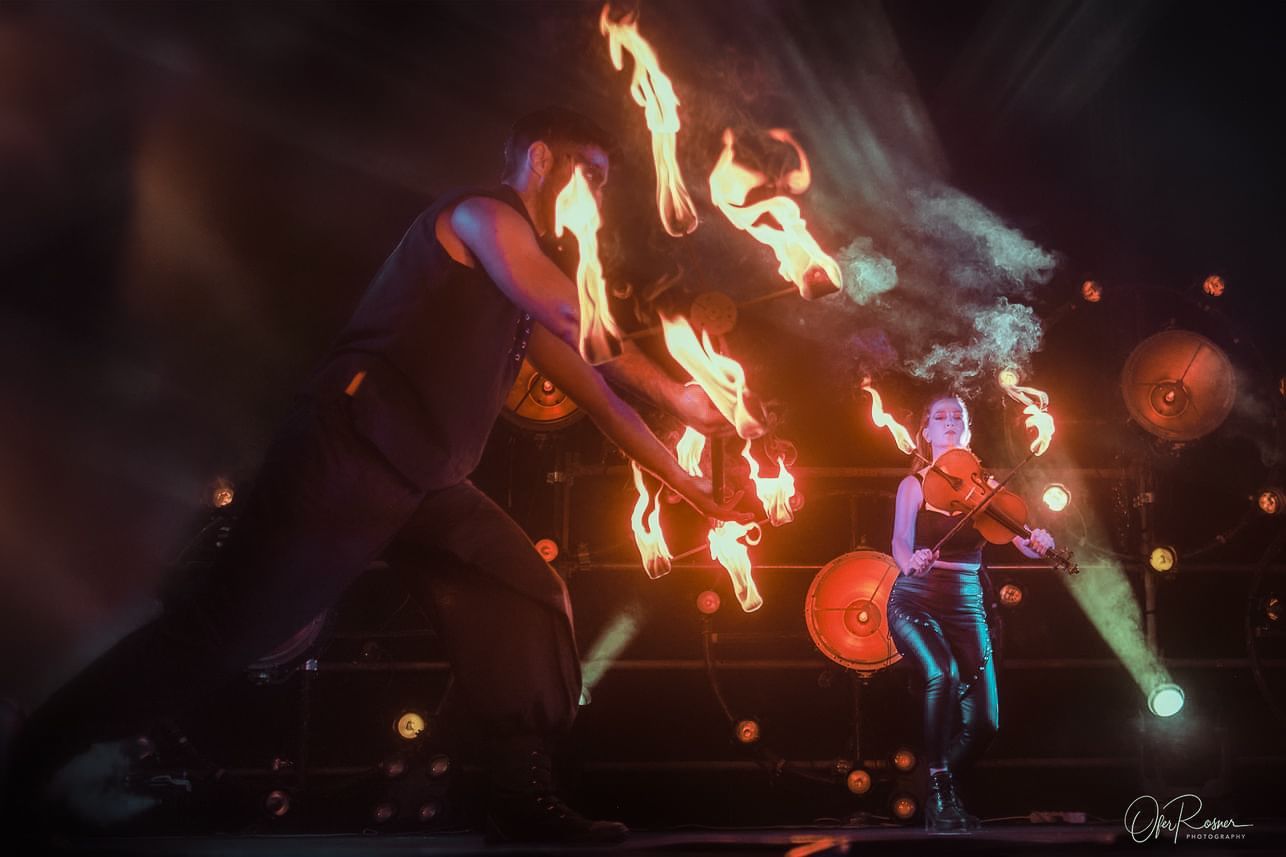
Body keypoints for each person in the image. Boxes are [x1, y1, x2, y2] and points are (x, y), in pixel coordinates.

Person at [8, 106, 748, 845]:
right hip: (349, 454)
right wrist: (679, 387)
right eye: (589, 171)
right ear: (541, 159)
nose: (596, 192)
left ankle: (519, 797)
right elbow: (574, 315)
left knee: (525, 588)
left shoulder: (525, 287)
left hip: (426, 480)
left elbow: (604, 400)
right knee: (217, 634)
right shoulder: (483, 217)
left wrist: (700, 489)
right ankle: (29, 759)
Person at [888, 394, 1054, 834]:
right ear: (925, 431)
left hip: (966, 603)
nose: (948, 423)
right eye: (939, 417)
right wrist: (911, 562)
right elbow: (900, 543)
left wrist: (1039, 542)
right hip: (916, 597)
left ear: (968, 429)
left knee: (984, 723)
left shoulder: (991, 488)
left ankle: (935, 785)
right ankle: (941, 790)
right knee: (940, 674)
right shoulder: (915, 485)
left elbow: (1020, 541)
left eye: (956, 417)